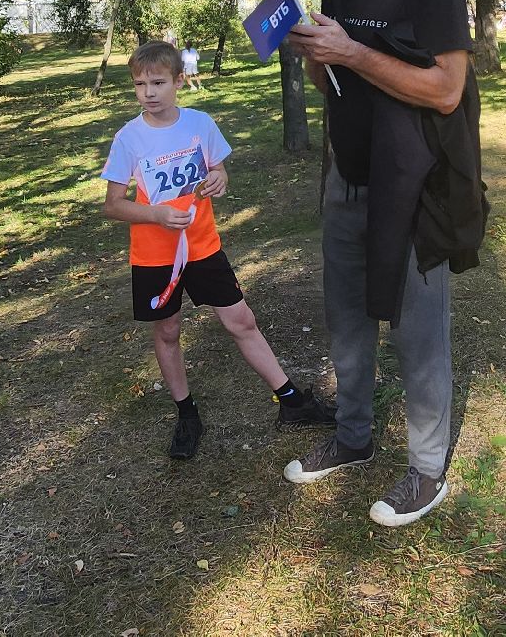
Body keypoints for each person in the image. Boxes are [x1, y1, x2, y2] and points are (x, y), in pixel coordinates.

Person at [284, 0, 487, 528]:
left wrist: (351, 50)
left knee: (418, 333)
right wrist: (316, 55)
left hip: (417, 182)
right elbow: (336, 82)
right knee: (345, 317)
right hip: (351, 174)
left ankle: (427, 471)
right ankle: (353, 437)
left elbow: (447, 90)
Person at [99, 41, 334, 461]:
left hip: (204, 247)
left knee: (241, 319)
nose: (148, 93)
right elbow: (113, 204)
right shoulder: (128, 138)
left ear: (178, 81)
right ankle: (187, 414)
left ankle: (292, 402)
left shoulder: (199, 123)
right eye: (139, 84)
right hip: (157, 258)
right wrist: (155, 215)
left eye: (157, 83)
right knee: (168, 331)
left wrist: (219, 177)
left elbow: (216, 167)